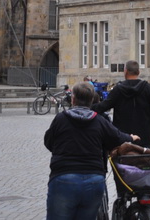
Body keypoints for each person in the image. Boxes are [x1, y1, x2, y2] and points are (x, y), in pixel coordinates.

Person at [44, 80, 141, 220]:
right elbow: (117, 137)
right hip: (93, 180)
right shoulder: (100, 121)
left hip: (64, 177)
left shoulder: (61, 119)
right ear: (91, 101)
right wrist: (131, 137)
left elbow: (48, 142)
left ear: (73, 99)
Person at [91, 60, 150, 148]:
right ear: (138, 72)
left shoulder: (118, 89)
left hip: (123, 136)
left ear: (125, 71)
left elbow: (103, 106)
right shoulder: (147, 88)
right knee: (145, 156)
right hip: (145, 135)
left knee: (123, 157)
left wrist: (86, 107)